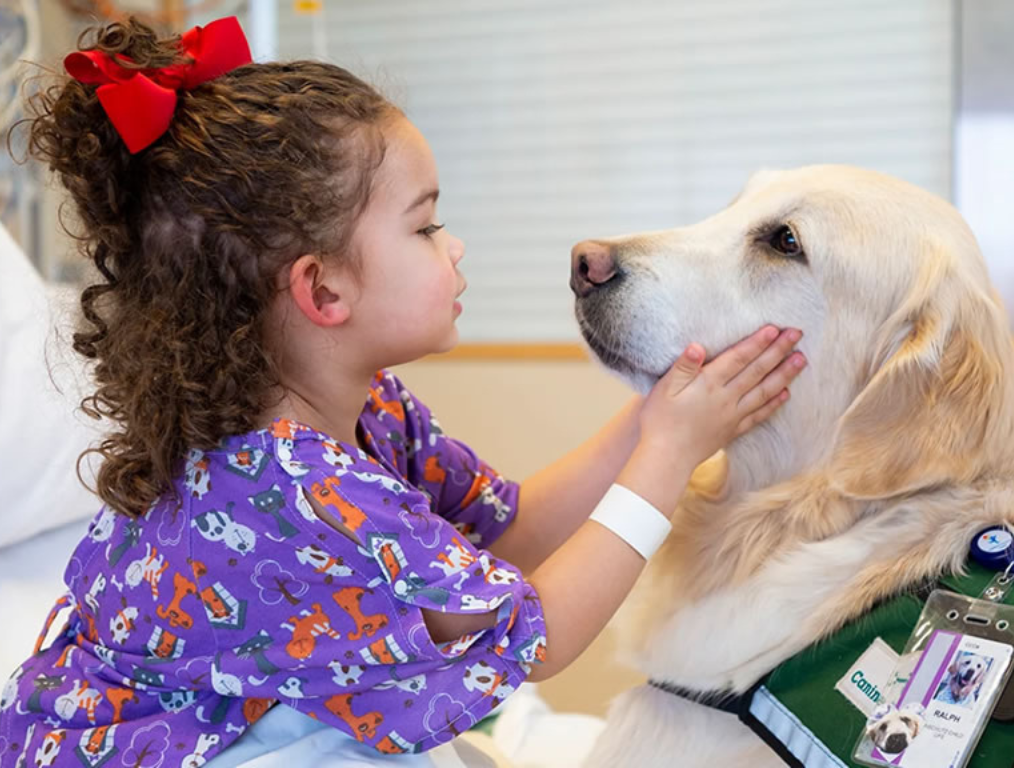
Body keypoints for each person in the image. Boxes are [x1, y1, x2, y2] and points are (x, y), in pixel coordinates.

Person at [0, 15, 806, 768]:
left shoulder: (365, 411)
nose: (453, 247)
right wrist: (669, 456)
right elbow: (540, 634)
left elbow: (508, 526)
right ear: (323, 292)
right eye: (424, 227)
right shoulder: (287, 491)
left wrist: (652, 418)